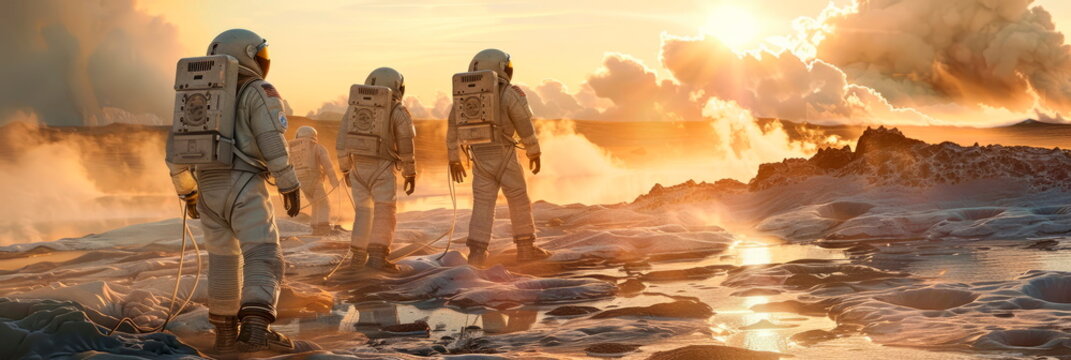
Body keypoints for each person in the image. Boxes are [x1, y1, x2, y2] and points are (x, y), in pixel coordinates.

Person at [165, 28, 301, 354]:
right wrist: (288, 182)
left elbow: (174, 152)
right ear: (248, 54)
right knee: (263, 252)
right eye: (260, 56)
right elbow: (271, 139)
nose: (262, 63)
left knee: (223, 259)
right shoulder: (258, 90)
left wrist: (188, 193)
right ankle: (255, 329)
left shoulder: (193, 95)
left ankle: (224, 336)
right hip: (243, 183)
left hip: (207, 188)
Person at [446, 48, 551, 267]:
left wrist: (454, 158)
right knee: (518, 199)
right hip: (503, 153)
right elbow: (523, 123)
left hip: (479, 156)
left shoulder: (464, 97)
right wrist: (534, 150)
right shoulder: (508, 93)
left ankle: (477, 254)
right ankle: (525, 249)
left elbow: (452, 128)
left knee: (483, 204)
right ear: (501, 68)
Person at [337, 67, 417, 272]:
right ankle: (378, 257)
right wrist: (410, 171)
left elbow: (342, 139)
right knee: (384, 212)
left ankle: (357, 256)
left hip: (357, 167)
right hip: (382, 167)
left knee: (363, 212)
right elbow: (406, 142)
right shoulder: (398, 109)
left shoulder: (353, 108)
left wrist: (345, 168)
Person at [289, 126, 339, 235]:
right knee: (323, 204)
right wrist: (334, 180)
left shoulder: (292, 149)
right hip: (314, 179)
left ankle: (315, 227)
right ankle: (323, 228)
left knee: (315, 203)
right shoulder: (317, 147)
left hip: (299, 181)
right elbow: (328, 166)